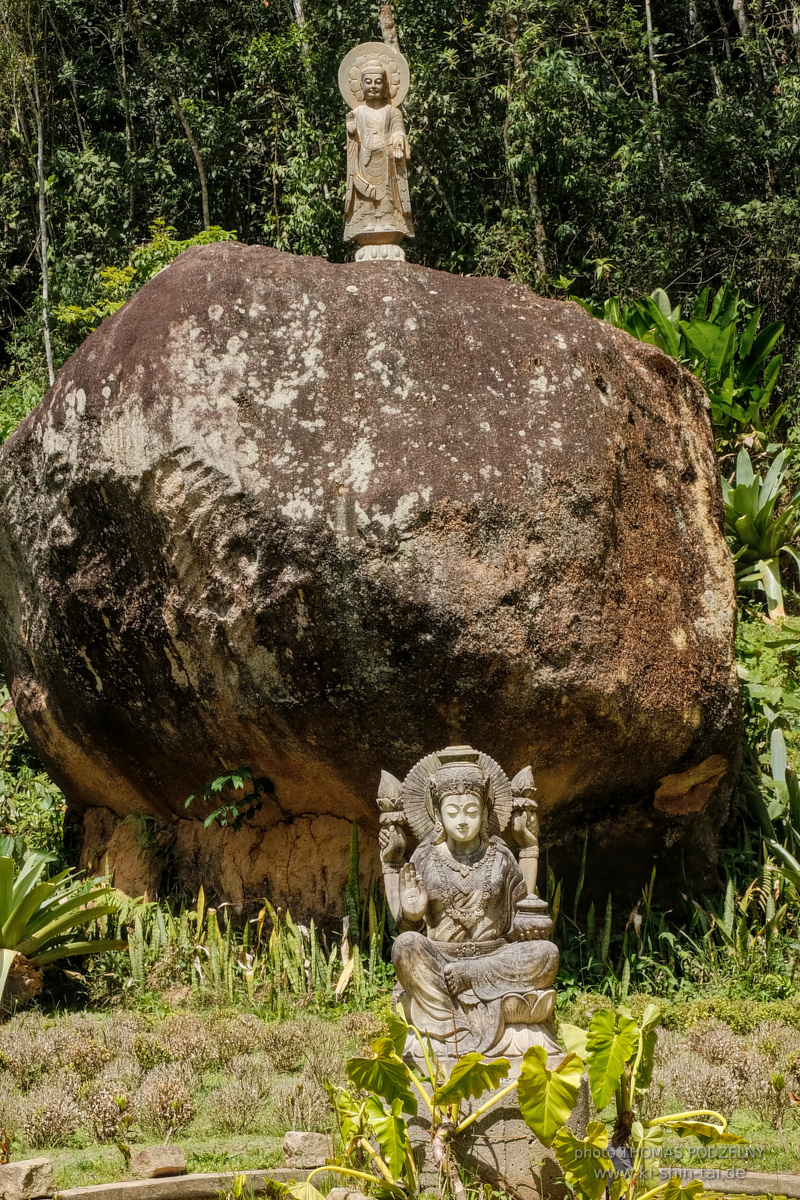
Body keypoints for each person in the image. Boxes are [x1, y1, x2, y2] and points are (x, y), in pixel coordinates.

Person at [383, 754, 560, 1059]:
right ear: (437, 814)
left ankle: (448, 1019)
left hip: (494, 957)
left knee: (546, 954)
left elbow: (523, 916)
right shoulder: (424, 857)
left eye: (471, 811)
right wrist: (411, 914)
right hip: (441, 960)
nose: (462, 820)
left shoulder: (501, 856)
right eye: (453, 812)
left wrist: (529, 849)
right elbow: (408, 926)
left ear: (485, 811)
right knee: (405, 946)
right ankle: (457, 1031)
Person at [344, 62, 414, 247]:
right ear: (361, 86)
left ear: (386, 85)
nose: (373, 86)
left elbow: (399, 131)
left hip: (387, 160)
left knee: (388, 193)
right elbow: (353, 141)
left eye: (378, 82)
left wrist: (399, 140)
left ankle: (389, 220)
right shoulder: (357, 112)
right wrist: (351, 132)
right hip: (364, 161)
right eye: (368, 82)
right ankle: (366, 220)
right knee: (365, 194)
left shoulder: (393, 112)